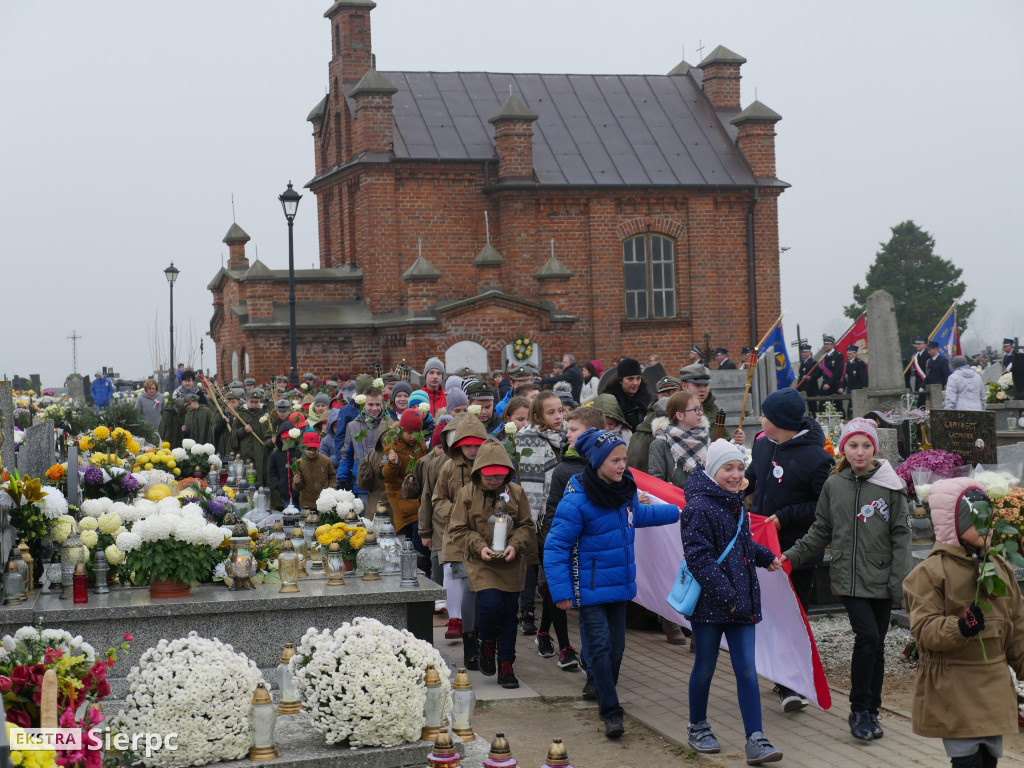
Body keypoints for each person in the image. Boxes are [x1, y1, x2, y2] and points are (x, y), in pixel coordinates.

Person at [544, 428, 680, 739]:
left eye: (624, 459)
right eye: (615, 460)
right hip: (589, 589)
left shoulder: (624, 491)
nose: (623, 465)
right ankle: (611, 711)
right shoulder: (576, 501)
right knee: (602, 647)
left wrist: (679, 512)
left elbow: (639, 516)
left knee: (616, 650)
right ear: (595, 461)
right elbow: (555, 547)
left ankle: (598, 682)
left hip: (619, 585)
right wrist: (562, 591)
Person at [781, 419, 911, 742]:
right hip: (849, 579)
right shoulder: (833, 485)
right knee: (867, 637)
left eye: (866, 445)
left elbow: (901, 535)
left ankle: (872, 711)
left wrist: (900, 583)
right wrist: (789, 557)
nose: (860, 452)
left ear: (874, 448)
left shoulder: (889, 485)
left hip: (882, 577)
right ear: (843, 448)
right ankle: (858, 709)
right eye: (853, 445)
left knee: (877, 645)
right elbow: (820, 531)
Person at [903, 477, 1024, 768]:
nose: (988, 527)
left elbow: (1017, 627)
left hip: (993, 681)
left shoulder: (1000, 569)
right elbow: (924, 630)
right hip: (954, 683)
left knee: (988, 759)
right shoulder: (930, 573)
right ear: (953, 524)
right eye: (977, 520)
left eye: (989, 519)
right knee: (967, 759)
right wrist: (960, 626)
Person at [682, 439, 784, 765]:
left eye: (740, 468)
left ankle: (756, 738)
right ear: (713, 471)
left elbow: (741, 544)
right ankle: (697, 725)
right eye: (728, 468)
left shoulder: (736, 502)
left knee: (747, 670)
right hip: (712, 607)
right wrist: (728, 597)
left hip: (739, 604)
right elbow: (700, 560)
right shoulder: (698, 507)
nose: (735, 474)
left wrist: (764, 555)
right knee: (705, 667)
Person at [745, 387, 833, 712]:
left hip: (799, 552)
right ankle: (780, 674)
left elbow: (821, 506)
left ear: (780, 422)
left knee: (793, 615)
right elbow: (754, 478)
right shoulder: (762, 445)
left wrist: (784, 517)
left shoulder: (818, 458)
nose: (760, 419)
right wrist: (737, 485)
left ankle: (791, 685)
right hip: (763, 550)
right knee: (768, 614)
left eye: (765, 415)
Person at [447, 438, 536, 689]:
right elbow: (458, 529)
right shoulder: (467, 494)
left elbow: (527, 526)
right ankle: (487, 643)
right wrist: (479, 546)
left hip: (510, 561)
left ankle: (506, 664)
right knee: (489, 604)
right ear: (478, 472)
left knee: (509, 613)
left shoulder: (516, 494)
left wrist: (515, 545)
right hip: (481, 560)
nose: (493, 481)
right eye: (488, 477)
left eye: (499, 476)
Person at [539, 407, 606, 673]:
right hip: (570, 549)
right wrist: (552, 547)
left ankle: (594, 664)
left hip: (598, 555)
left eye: (573, 430)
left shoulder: (609, 466)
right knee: (565, 599)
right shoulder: (564, 471)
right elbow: (553, 511)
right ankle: (570, 650)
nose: (567, 435)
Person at [434, 415, 489, 666]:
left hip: (486, 538)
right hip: (457, 539)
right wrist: (456, 515)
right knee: (468, 588)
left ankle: (485, 639)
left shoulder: (491, 464)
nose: (473, 450)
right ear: (458, 445)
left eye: (477, 444)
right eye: (467, 445)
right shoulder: (448, 467)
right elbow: (438, 499)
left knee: (484, 593)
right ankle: (471, 645)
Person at [514, 390, 568, 647]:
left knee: (552, 579)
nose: (558, 416)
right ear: (537, 415)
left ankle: (544, 631)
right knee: (540, 573)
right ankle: (533, 621)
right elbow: (528, 483)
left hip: (562, 513)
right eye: (551, 412)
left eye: (560, 410)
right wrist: (531, 520)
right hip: (538, 515)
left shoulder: (567, 436)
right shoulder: (526, 439)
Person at [380, 409, 428, 541]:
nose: (413, 436)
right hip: (402, 497)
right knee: (417, 539)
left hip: (419, 497)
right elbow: (383, 475)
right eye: (409, 432)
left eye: (416, 432)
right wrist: (393, 464)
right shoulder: (391, 446)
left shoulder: (421, 445)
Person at [648, 391, 709, 490]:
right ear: (680, 416)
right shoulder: (660, 443)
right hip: (675, 503)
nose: (701, 413)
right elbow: (656, 482)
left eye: (700, 409)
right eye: (696, 410)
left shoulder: (704, 438)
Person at [626, 376, 681, 473]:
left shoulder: (691, 417)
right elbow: (636, 460)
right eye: (664, 396)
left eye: (673, 395)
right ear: (658, 397)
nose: (668, 400)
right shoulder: (647, 424)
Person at [601, 358, 652, 431]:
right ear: (620, 380)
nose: (635, 383)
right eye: (630, 379)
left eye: (638, 378)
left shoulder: (646, 397)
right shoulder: (610, 401)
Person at [291, 431, 335, 509]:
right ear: (303, 448)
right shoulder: (299, 463)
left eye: (314, 449)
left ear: (319, 447)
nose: (312, 452)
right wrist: (297, 482)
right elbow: (296, 488)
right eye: (309, 449)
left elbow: (332, 477)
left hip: (324, 503)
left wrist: (331, 491)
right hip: (306, 505)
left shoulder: (325, 460)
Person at [818, 335, 845, 412]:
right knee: (822, 407)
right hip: (825, 384)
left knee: (837, 407)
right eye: (824, 344)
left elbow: (838, 372)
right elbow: (821, 371)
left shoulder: (838, 355)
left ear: (833, 345)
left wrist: (829, 384)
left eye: (827, 344)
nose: (825, 346)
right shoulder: (824, 357)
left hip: (834, 384)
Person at [795, 343, 820, 415]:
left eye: (806, 352)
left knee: (813, 407)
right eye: (802, 352)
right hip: (803, 388)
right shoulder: (803, 362)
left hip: (811, 389)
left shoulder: (813, 362)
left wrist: (810, 377)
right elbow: (800, 376)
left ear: (809, 352)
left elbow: (817, 373)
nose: (804, 354)